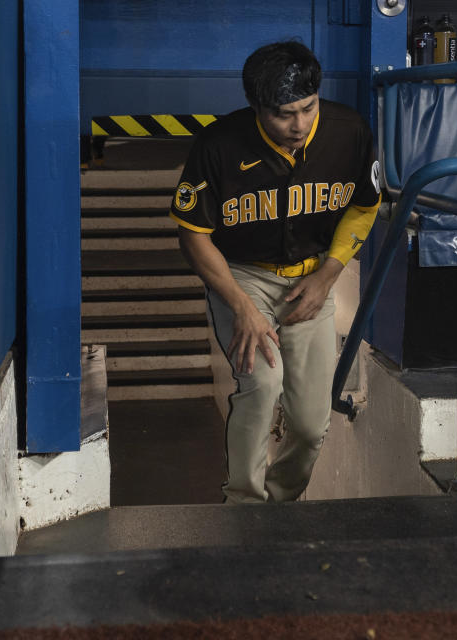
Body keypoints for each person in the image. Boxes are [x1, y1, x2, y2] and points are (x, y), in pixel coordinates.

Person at [169, 40, 382, 504]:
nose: (299, 124)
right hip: (242, 275)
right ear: (256, 107)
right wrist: (242, 307)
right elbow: (193, 235)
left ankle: (280, 505)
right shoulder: (219, 145)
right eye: (284, 114)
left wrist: (328, 274)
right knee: (262, 384)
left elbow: (365, 208)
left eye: (308, 108)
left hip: (311, 281)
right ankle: (244, 507)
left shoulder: (349, 131)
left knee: (310, 424)